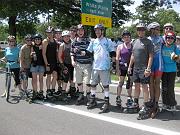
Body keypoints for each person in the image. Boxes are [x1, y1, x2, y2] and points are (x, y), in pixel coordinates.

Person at [86, 24, 116, 112]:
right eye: (96, 30)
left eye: (99, 30)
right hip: (95, 66)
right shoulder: (93, 41)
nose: (97, 32)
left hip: (105, 67)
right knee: (93, 84)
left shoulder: (108, 41)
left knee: (105, 85)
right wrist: (79, 52)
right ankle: (92, 100)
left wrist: (113, 65)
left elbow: (113, 53)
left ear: (102, 31)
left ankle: (106, 102)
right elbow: (88, 52)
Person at [128, 23, 154, 120]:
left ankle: (146, 106)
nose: (141, 31)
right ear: (137, 31)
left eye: (142, 30)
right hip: (135, 68)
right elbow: (133, 55)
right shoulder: (134, 41)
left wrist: (148, 68)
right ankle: (136, 103)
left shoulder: (148, 42)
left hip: (144, 68)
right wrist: (130, 67)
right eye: (139, 29)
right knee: (136, 86)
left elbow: (151, 56)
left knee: (144, 87)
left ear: (145, 31)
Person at [71, 24, 93, 105]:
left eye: (82, 30)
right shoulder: (74, 41)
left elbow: (92, 51)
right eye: (79, 30)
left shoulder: (89, 40)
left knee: (88, 82)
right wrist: (72, 60)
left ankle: (88, 95)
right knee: (79, 81)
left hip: (87, 64)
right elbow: (72, 52)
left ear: (84, 31)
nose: (80, 32)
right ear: (76, 31)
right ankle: (81, 95)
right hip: (78, 64)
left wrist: (86, 53)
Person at [147, 22, 164, 117]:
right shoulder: (148, 39)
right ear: (151, 30)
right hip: (150, 63)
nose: (158, 31)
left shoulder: (162, 39)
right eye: (156, 29)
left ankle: (156, 104)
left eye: (158, 29)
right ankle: (152, 101)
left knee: (157, 84)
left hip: (159, 63)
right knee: (150, 84)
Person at [161, 32, 180, 111]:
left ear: (174, 39)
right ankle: (165, 103)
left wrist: (175, 57)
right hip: (163, 70)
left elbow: (179, 60)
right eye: (168, 37)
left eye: (172, 38)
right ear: (165, 38)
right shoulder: (162, 46)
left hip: (172, 70)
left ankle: (172, 104)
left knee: (170, 88)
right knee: (164, 88)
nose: (169, 39)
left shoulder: (175, 48)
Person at [116, 30, 133, 108]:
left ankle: (129, 97)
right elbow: (117, 58)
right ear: (122, 38)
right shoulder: (120, 46)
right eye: (125, 37)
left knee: (129, 83)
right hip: (122, 67)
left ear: (130, 38)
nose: (126, 38)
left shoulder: (132, 46)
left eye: (128, 37)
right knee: (121, 82)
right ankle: (118, 97)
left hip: (130, 67)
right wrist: (117, 68)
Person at [58, 30, 76, 101]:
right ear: (63, 37)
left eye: (68, 36)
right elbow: (59, 56)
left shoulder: (73, 43)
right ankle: (63, 93)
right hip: (65, 64)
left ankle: (72, 91)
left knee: (72, 79)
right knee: (65, 79)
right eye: (65, 37)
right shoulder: (62, 45)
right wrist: (63, 66)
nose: (66, 38)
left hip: (72, 64)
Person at [42, 26, 58, 100]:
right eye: (48, 32)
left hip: (54, 61)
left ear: (53, 33)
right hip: (48, 62)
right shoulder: (45, 41)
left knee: (55, 76)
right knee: (48, 76)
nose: (49, 34)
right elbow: (43, 54)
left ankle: (52, 90)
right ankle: (48, 91)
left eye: (50, 32)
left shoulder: (55, 40)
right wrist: (46, 64)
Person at [30, 34, 45, 100]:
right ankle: (35, 92)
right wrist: (32, 54)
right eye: (36, 39)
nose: (37, 40)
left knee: (41, 79)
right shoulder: (32, 46)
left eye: (39, 39)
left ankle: (41, 92)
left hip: (41, 64)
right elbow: (31, 55)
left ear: (41, 40)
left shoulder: (43, 45)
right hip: (34, 65)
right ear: (34, 40)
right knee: (34, 79)